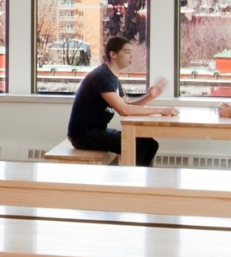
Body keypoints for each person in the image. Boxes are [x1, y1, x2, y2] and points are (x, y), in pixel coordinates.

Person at [67, 37, 175, 166]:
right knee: (138, 147)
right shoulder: (101, 76)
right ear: (113, 54)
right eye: (127, 52)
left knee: (150, 144)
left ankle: (140, 180)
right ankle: (131, 183)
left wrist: (150, 97)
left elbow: (127, 106)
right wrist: (162, 111)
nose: (131, 56)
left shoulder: (113, 78)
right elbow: (124, 111)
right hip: (83, 135)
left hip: (98, 131)